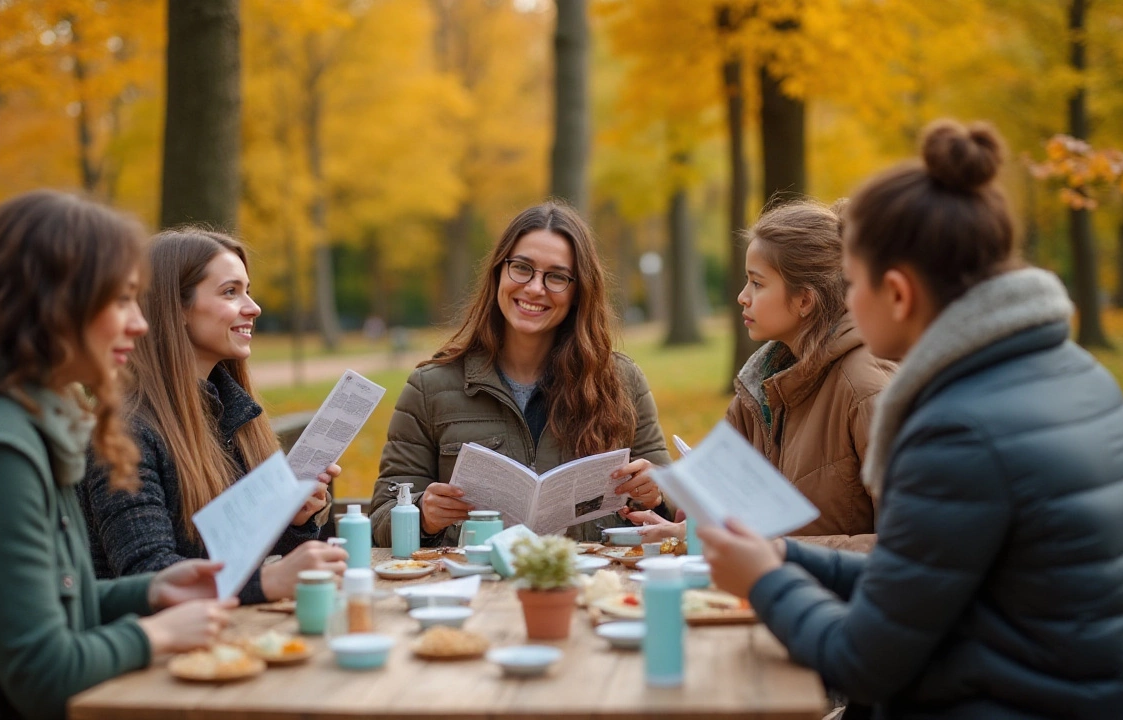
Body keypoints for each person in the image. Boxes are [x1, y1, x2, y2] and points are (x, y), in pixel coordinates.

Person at [701, 120, 1123, 718]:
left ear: (897, 292)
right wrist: (786, 557)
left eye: (853, 284)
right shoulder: (1069, 371)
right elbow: (912, 578)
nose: (847, 304)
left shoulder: (957, 430)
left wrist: (765, 582)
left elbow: (862, 658)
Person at [0, 191, 234, 720]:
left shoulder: (26, 423)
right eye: (120, 301)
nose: (140, 324)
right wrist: (155, 635)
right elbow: (42, 673)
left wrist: (153, 590)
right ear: (53, 306)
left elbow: (48, 600)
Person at [370, 201, 670, 545]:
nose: (535, 288)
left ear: (578, 292)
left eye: (556, 277)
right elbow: (381, 517)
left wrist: (657, 492)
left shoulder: (621, 381)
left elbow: (671, 499)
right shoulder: (430, 387)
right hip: (473, 593)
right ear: (499, 272)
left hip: (587, 588)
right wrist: (422, 515)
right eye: (522, 268)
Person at [79, 229, 346, 605]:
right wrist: (266, 582)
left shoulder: (234, 415)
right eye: (230, 292)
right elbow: (150, 577)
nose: (253, 307)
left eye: (247, 290)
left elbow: (228, 553)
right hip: (156, 654)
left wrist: (292, 521)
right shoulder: (126, 433)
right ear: (177, 309)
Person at [623, 200, 893, 552]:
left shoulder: (866, 388)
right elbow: (720, 505)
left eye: (757, 284)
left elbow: (912, 547)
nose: (741, 297)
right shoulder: (761, 386)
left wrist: (779, 550)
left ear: (804, 300)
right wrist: (665, 497)